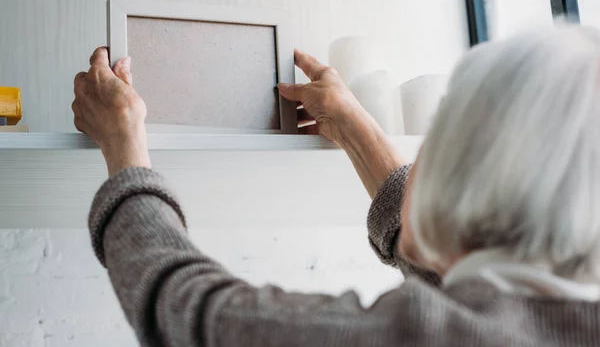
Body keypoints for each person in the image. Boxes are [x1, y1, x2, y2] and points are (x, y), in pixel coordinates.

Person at [72, 24, 600, 346]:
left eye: (440, 134)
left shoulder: (426, 336)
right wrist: (352, 124)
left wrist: (122, 141)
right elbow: (457, 289)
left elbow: (185, 312)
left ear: (469, 178)